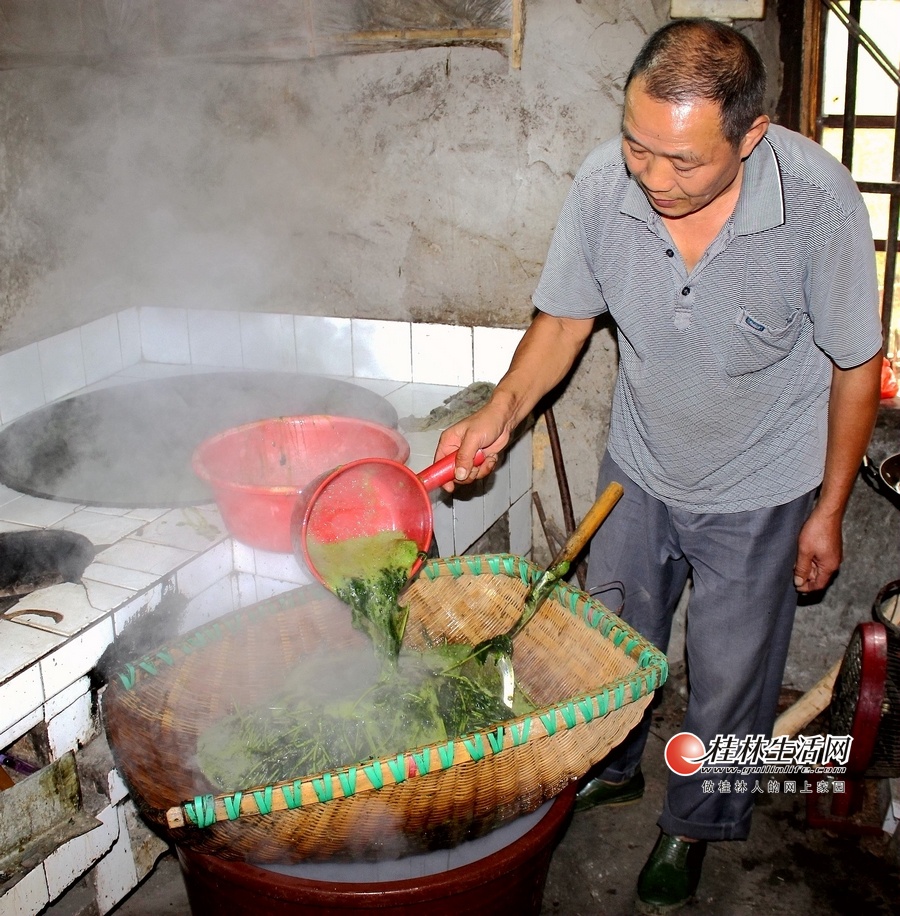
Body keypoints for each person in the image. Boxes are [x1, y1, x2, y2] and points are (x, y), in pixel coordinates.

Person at [434, 17, 884, 913]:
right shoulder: (607, 185)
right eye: (638, 146)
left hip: (760, 486)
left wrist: (830, 508)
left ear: (750, 137)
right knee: (611, 637)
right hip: (638, 465)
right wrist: (500, 412)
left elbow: (856, 366)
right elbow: (564, 322)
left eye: (683, 161)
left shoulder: (819, 206)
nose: (653, 177)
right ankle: (614, 767)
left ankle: (696, 822)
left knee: (729, 675)